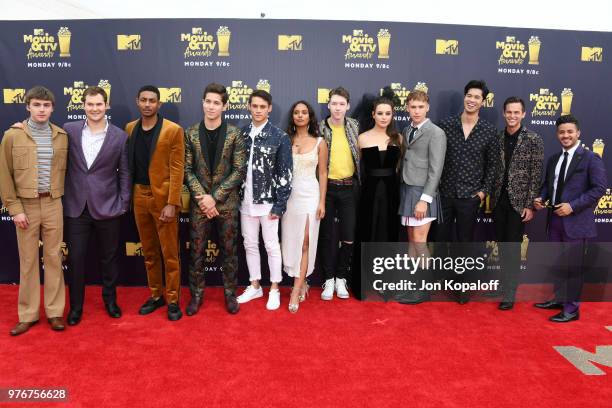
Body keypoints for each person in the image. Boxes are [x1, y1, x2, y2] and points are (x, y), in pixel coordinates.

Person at [0, 86, 68, 335]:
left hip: (53, 203)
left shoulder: (61, 135)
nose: (41, 109)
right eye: (37, 105)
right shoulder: (12, 136)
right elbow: (4, 175)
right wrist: (14, 209)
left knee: (53, 258)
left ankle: (54, 311)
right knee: (28, 261)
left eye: (46, 105)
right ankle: (27, 314)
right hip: (25, 205)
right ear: (28, 106)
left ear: (52, 108)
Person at [62, 86, 130, 325]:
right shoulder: (68, 131)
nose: (94, 109)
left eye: (99, 104)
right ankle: (76, 308)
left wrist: (123, 203)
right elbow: (44, 133)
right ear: (83, 106)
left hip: (108, 207)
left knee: (109, 259)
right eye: (90, 104)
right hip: (76, 207)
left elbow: (124, 173)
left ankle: (110, 301)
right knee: (76, 259)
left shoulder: (120, 136)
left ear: (106, 106)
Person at [533, 114, 607, 322]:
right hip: (554, 220)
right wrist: (541, 198)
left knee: (573, 266)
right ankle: (559, 299)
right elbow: (549, 185)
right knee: (558, 263)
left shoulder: (591, 158)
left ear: (578, 133)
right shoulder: (554, 159)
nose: (566, 135)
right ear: (557, 134)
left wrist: (572, 207)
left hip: (576, 222)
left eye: (569, 132)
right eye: (562, 132)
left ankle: (572, 309)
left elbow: (599, 188)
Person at [184, 83, 247, 316]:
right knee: (196, 253)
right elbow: (187, 170)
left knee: (229, 252)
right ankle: (196, 296)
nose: (211, 106)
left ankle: (230, 294)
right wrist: (204, 200)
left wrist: (215, 198)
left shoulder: (234, 134)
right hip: (200, 204)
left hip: (226, 205)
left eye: (216, 103)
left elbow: (239, 170)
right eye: (208, 101)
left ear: (225, 105)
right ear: (203, 102)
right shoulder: (190, 133)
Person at [437, 80, 500, 304]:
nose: (472, 100)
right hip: (443, 193)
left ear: (483, 102)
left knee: (464, 243)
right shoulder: (445, 125)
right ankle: (436, 284)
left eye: (477, 97)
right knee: (439, 240)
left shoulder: (489, 131)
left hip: (470, 197)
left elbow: (493, 166)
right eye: (469, 96)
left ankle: (462, 288)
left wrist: (482, 193)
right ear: (464, 97)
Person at [125, 85, 185, 321]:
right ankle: (156, 295)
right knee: (149, 252)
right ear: (137, 102)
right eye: (144, 100)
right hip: (139, 196)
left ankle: (172, 299)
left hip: (163, 199)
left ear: (159, 104)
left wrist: (172, 202)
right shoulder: (129, 128)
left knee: (169, 253)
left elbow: (178, 169)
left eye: (152, 100)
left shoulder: (173, 130)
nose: (148, 104)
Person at [236, 90, 292, 310]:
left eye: (262, 107)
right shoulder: (241, 134)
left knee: (271, 246)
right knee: (249, 244)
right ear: (249, 107)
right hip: (245, 201)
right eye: (254, 106)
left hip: (268, 202)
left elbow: (285, 174)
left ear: (269, 108)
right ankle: (255, 285)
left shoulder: (280, 136)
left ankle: (275, 289)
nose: (258, 110)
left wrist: (280, 204)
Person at [490, 97, 543, 311]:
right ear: (504, 113)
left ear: (524, 114)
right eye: (509, 112)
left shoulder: (533, 139)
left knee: (512, 247)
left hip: (519, 203)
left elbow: (536, 173)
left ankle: (510, 292)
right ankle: (504, 284)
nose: (512, 116)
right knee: (502, 246)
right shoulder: (497, 137)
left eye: (516, 112)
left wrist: (530, 205)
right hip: (498, 200)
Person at [397, 90, 446, 304]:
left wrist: (424, 200)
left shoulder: (436, 133)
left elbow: (436, 170)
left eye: (420, 107)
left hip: (422, 193)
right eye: (412, 107)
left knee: (419, 241)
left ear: (427, 108)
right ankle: (411, 286)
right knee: (411, 240)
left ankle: (424, 289)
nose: (416, 111)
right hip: (407, 190)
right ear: (407, 108)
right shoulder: (407, 130)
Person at [282, 101, 328, 313]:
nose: (300, 116)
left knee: (306, 242)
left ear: (310, 116)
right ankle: (301, 282)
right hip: (289, 198)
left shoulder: (320, 142)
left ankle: (296, 288)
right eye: (296, 113)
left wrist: (322, 202)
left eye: (304, 112)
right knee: (292, 241)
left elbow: (323, 174)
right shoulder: (285, 140)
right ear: (292, 117)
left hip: (310, 195)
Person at [318, 87, 360, 300]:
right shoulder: (319, 128)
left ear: (348, 106)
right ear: (328, 105)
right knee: (326, 236)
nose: (337, 108)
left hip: (349, 188)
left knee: (349, 236)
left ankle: (342, 277)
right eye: (334, 103)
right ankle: (328, 279)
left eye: (341, 104)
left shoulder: (354, 126)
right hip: (326, 188)